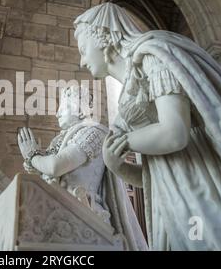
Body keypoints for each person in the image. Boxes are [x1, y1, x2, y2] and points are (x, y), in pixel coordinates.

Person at [73, 2, 221, 250]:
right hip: (168, 197)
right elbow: (152, 174)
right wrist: (118, 165)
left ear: (101, 37)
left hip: (200, 179)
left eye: (82, 49)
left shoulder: (154, 59)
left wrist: (126, 142)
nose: (81, 61)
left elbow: (175, 133)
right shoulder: (129, 93)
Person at [17, 85, 147, 250]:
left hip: (85, 215)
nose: (57, 113)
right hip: (62, 214)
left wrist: (32, 155)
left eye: (63, 107)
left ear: (81, 109)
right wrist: (36, 161)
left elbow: (55, 166)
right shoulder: (64, 139)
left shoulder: (94, 132)